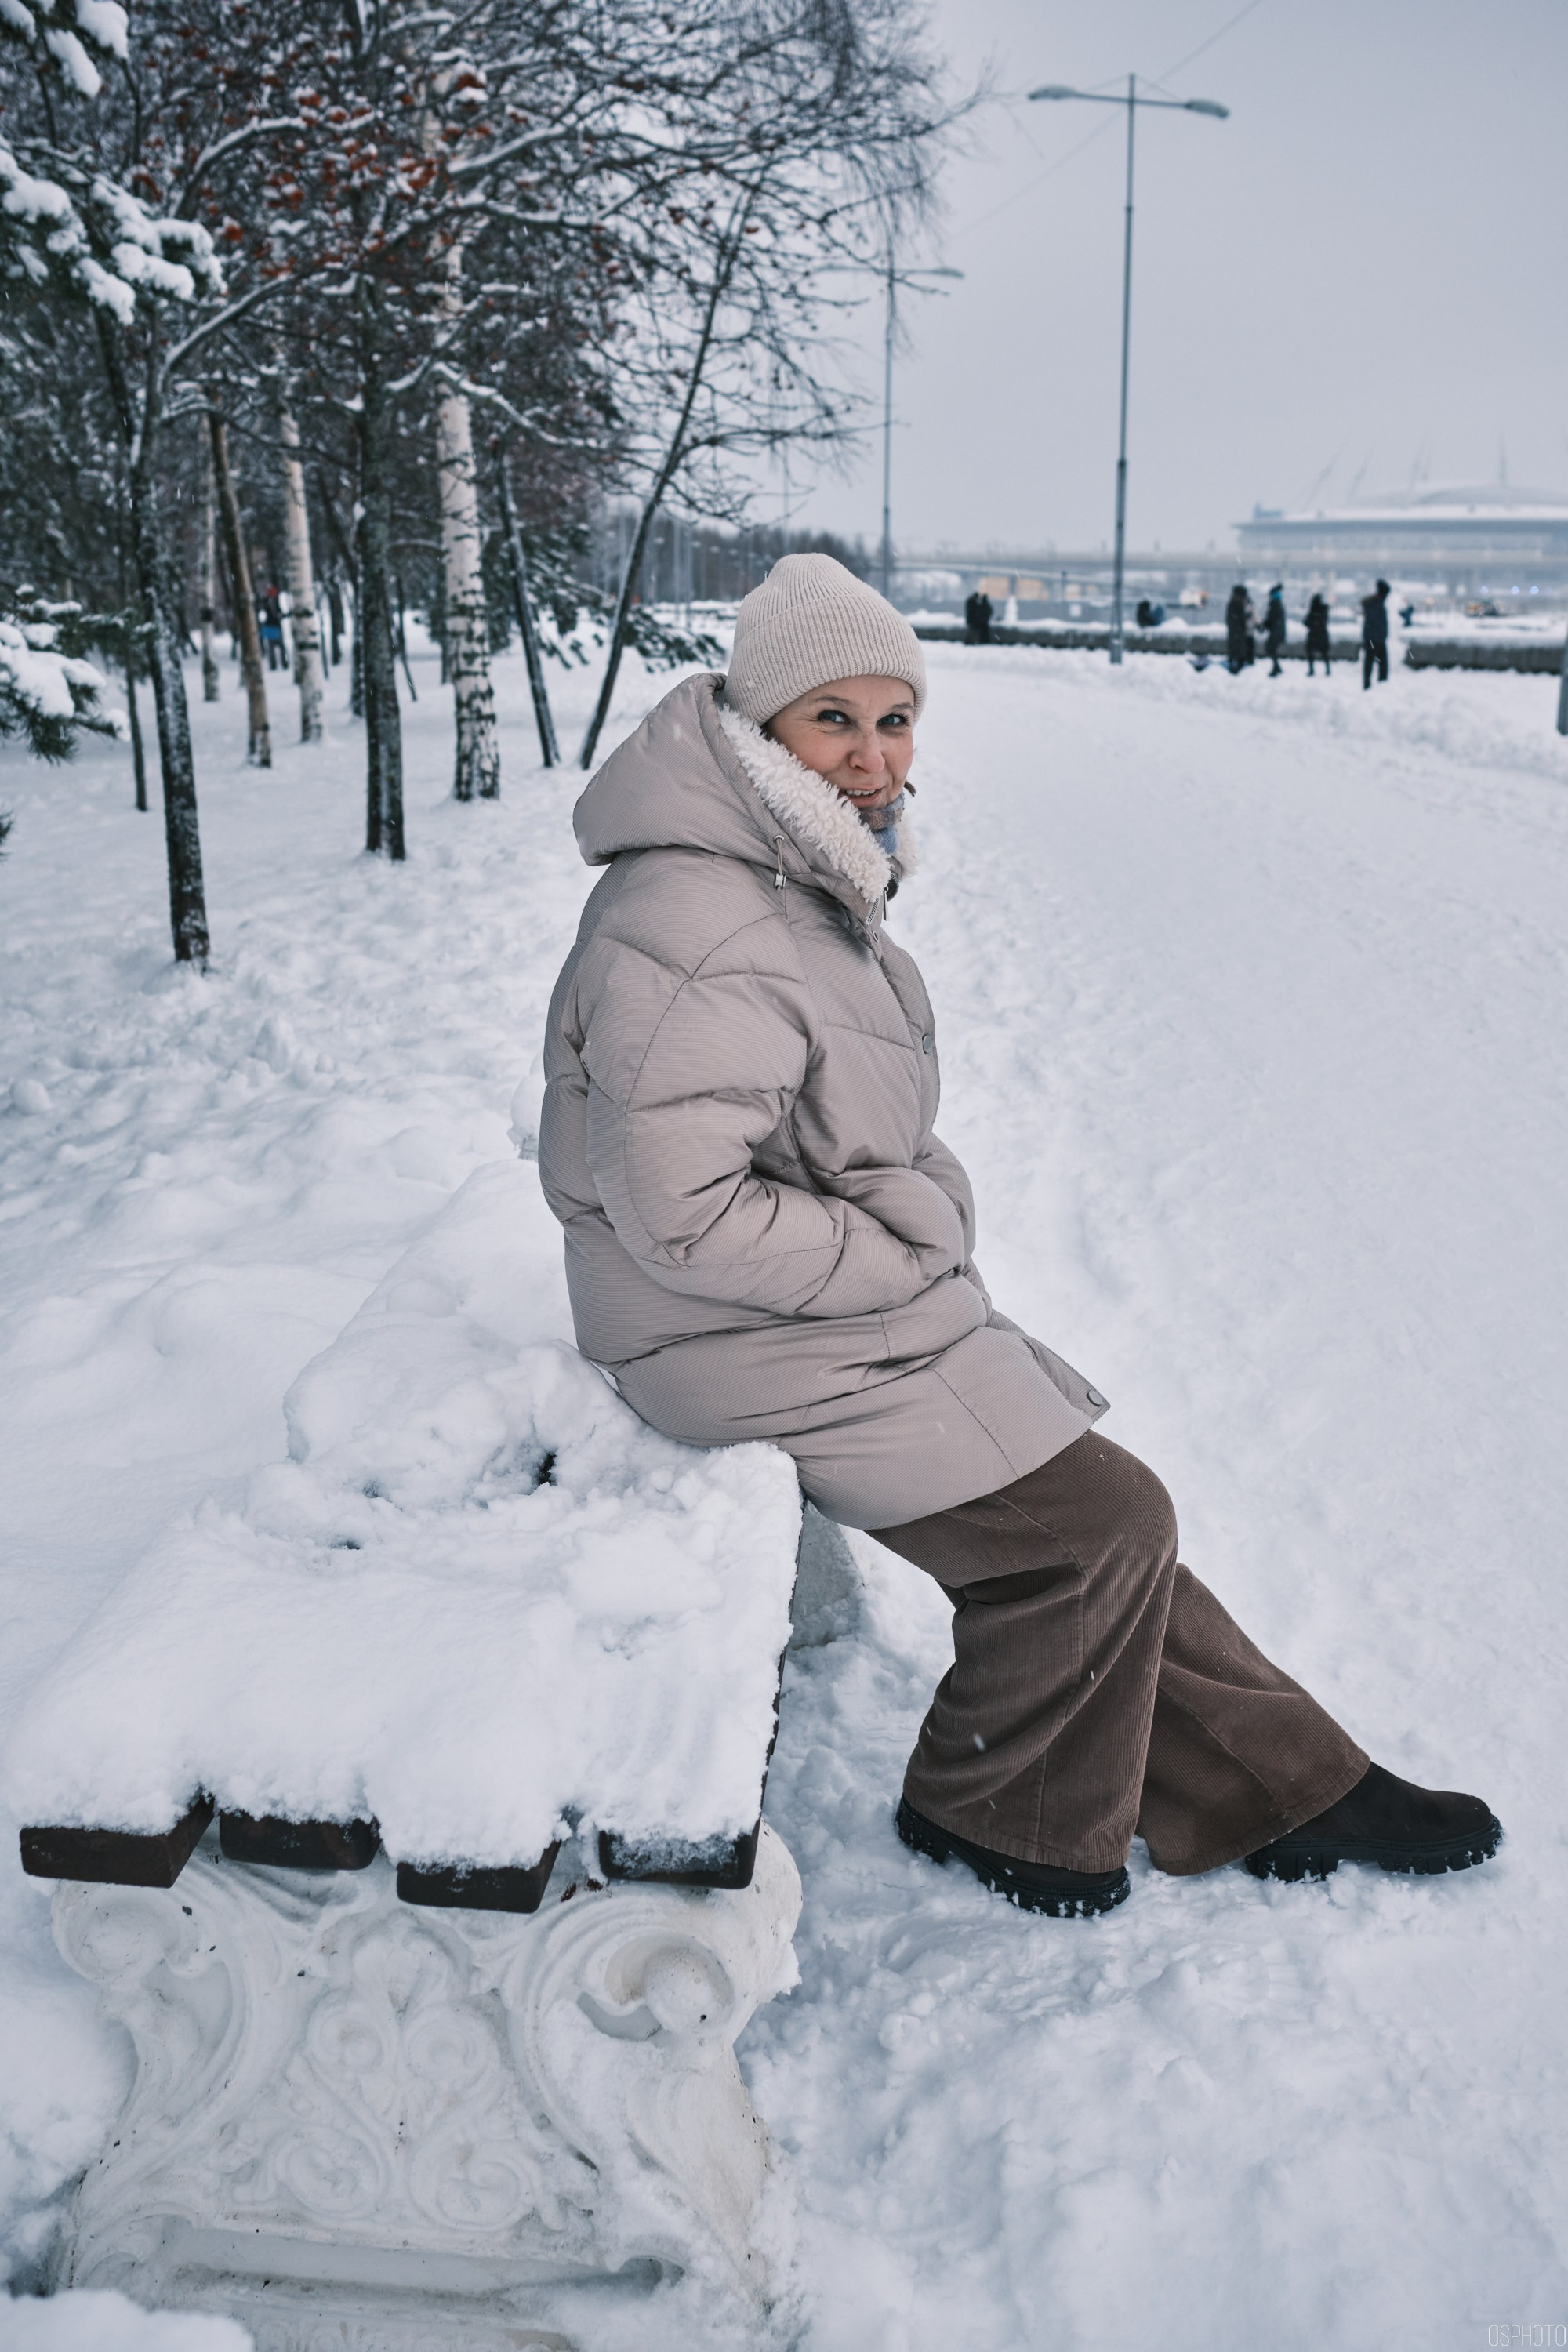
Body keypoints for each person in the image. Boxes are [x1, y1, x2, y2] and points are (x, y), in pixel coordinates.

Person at [539, 554, 1500, 1918]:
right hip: (718, 1334)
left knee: (1099, 1507)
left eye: (895, 718)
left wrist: (916, 1220)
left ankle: (1287, 1783)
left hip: (796, 1308)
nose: (873, 756)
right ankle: (996, 1813)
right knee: (1097, 1523)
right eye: (833, 719)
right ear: (760, 728)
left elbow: (837, 1138)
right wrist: (901, 1251)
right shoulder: (700, 916)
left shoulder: (783, 872)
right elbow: (683, 1214)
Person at [1361, 578, 1391, 688]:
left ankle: (1370, 685)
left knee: (1372, 663)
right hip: (1375, 639)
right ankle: (1376, 686)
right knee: (1380, 664)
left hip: (1375, 638)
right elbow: (1378, 623)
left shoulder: (1374, 603)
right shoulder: (1376, 604)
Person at [1225, 583, 1255, 673]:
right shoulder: (1238, 602)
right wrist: (1248, 616)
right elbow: (1240, 617)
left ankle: (1234, 665)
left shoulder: (1233, 601)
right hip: (1238, 632)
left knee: (1234, 650)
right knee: (1239, 650)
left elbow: (1231, 618)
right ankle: (1236, 669)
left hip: (1234, 631)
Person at [1305, 591, 1332, 677]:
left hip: (1313, 635)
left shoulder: (1313, 610)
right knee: (1324, 654)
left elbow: (1306, 622)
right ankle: (1328, 670)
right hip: (1322, 635)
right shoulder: (1324, 610)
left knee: (1310, 653)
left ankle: (1312, 670)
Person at [1263, 583, 1287, 677]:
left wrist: (1264, 625)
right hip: (1278, 631)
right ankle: (1276, 668)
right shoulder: (1278, 604)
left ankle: (1276, 668)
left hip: (1276, 632)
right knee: (1271, 649)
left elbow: (1271, 619)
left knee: (1270, 649)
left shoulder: (1275, 604)